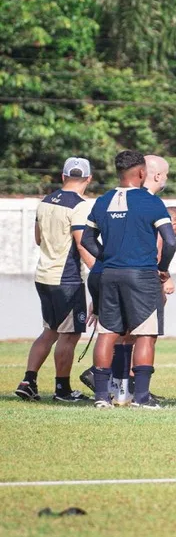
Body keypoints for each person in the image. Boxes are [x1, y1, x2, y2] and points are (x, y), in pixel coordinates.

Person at [80, 150, 176, 410]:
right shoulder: (150, 201)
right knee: (146, 334)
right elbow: (169, 240)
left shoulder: (103, 201)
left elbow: (87, 239)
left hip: (109, 274)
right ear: (142, 173)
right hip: (142, 275)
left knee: (107, 333)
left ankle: (102, 397)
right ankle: (141, 399)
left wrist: (109, 256)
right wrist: (163, 269)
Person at [14, 157, 94, 403]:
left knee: (49, 332)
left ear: (63, 176)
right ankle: (62, 390)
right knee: (69, 335)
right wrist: (99, 271)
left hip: (44, 275)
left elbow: (38, 239)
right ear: (88, 179)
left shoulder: (45, 202)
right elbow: (82, 243)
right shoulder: (81, 205)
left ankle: (29, 381)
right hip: (67, 278)